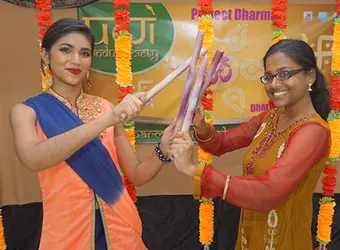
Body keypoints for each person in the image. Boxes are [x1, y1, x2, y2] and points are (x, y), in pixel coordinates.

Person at [9, 18, 173, 250]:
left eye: (84, 53)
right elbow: (34, 157)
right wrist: (107, 120)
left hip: (121, 230)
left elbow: (136, 175)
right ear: (45, 55)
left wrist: (162, 151)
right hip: (68, 235)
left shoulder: (105, 107)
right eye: (66, 50)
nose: (76, 60)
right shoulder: (27, 111)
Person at [168, 39, 331, 249]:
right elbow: (221, 144)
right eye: (269, 76)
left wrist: (194, 169)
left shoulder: (313, 131)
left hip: (284, 240)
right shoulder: (270, 118)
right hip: (250, 234)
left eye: (284, 74)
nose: (274, 84)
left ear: (310, 75)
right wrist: (200, 126)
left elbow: (270, 192)